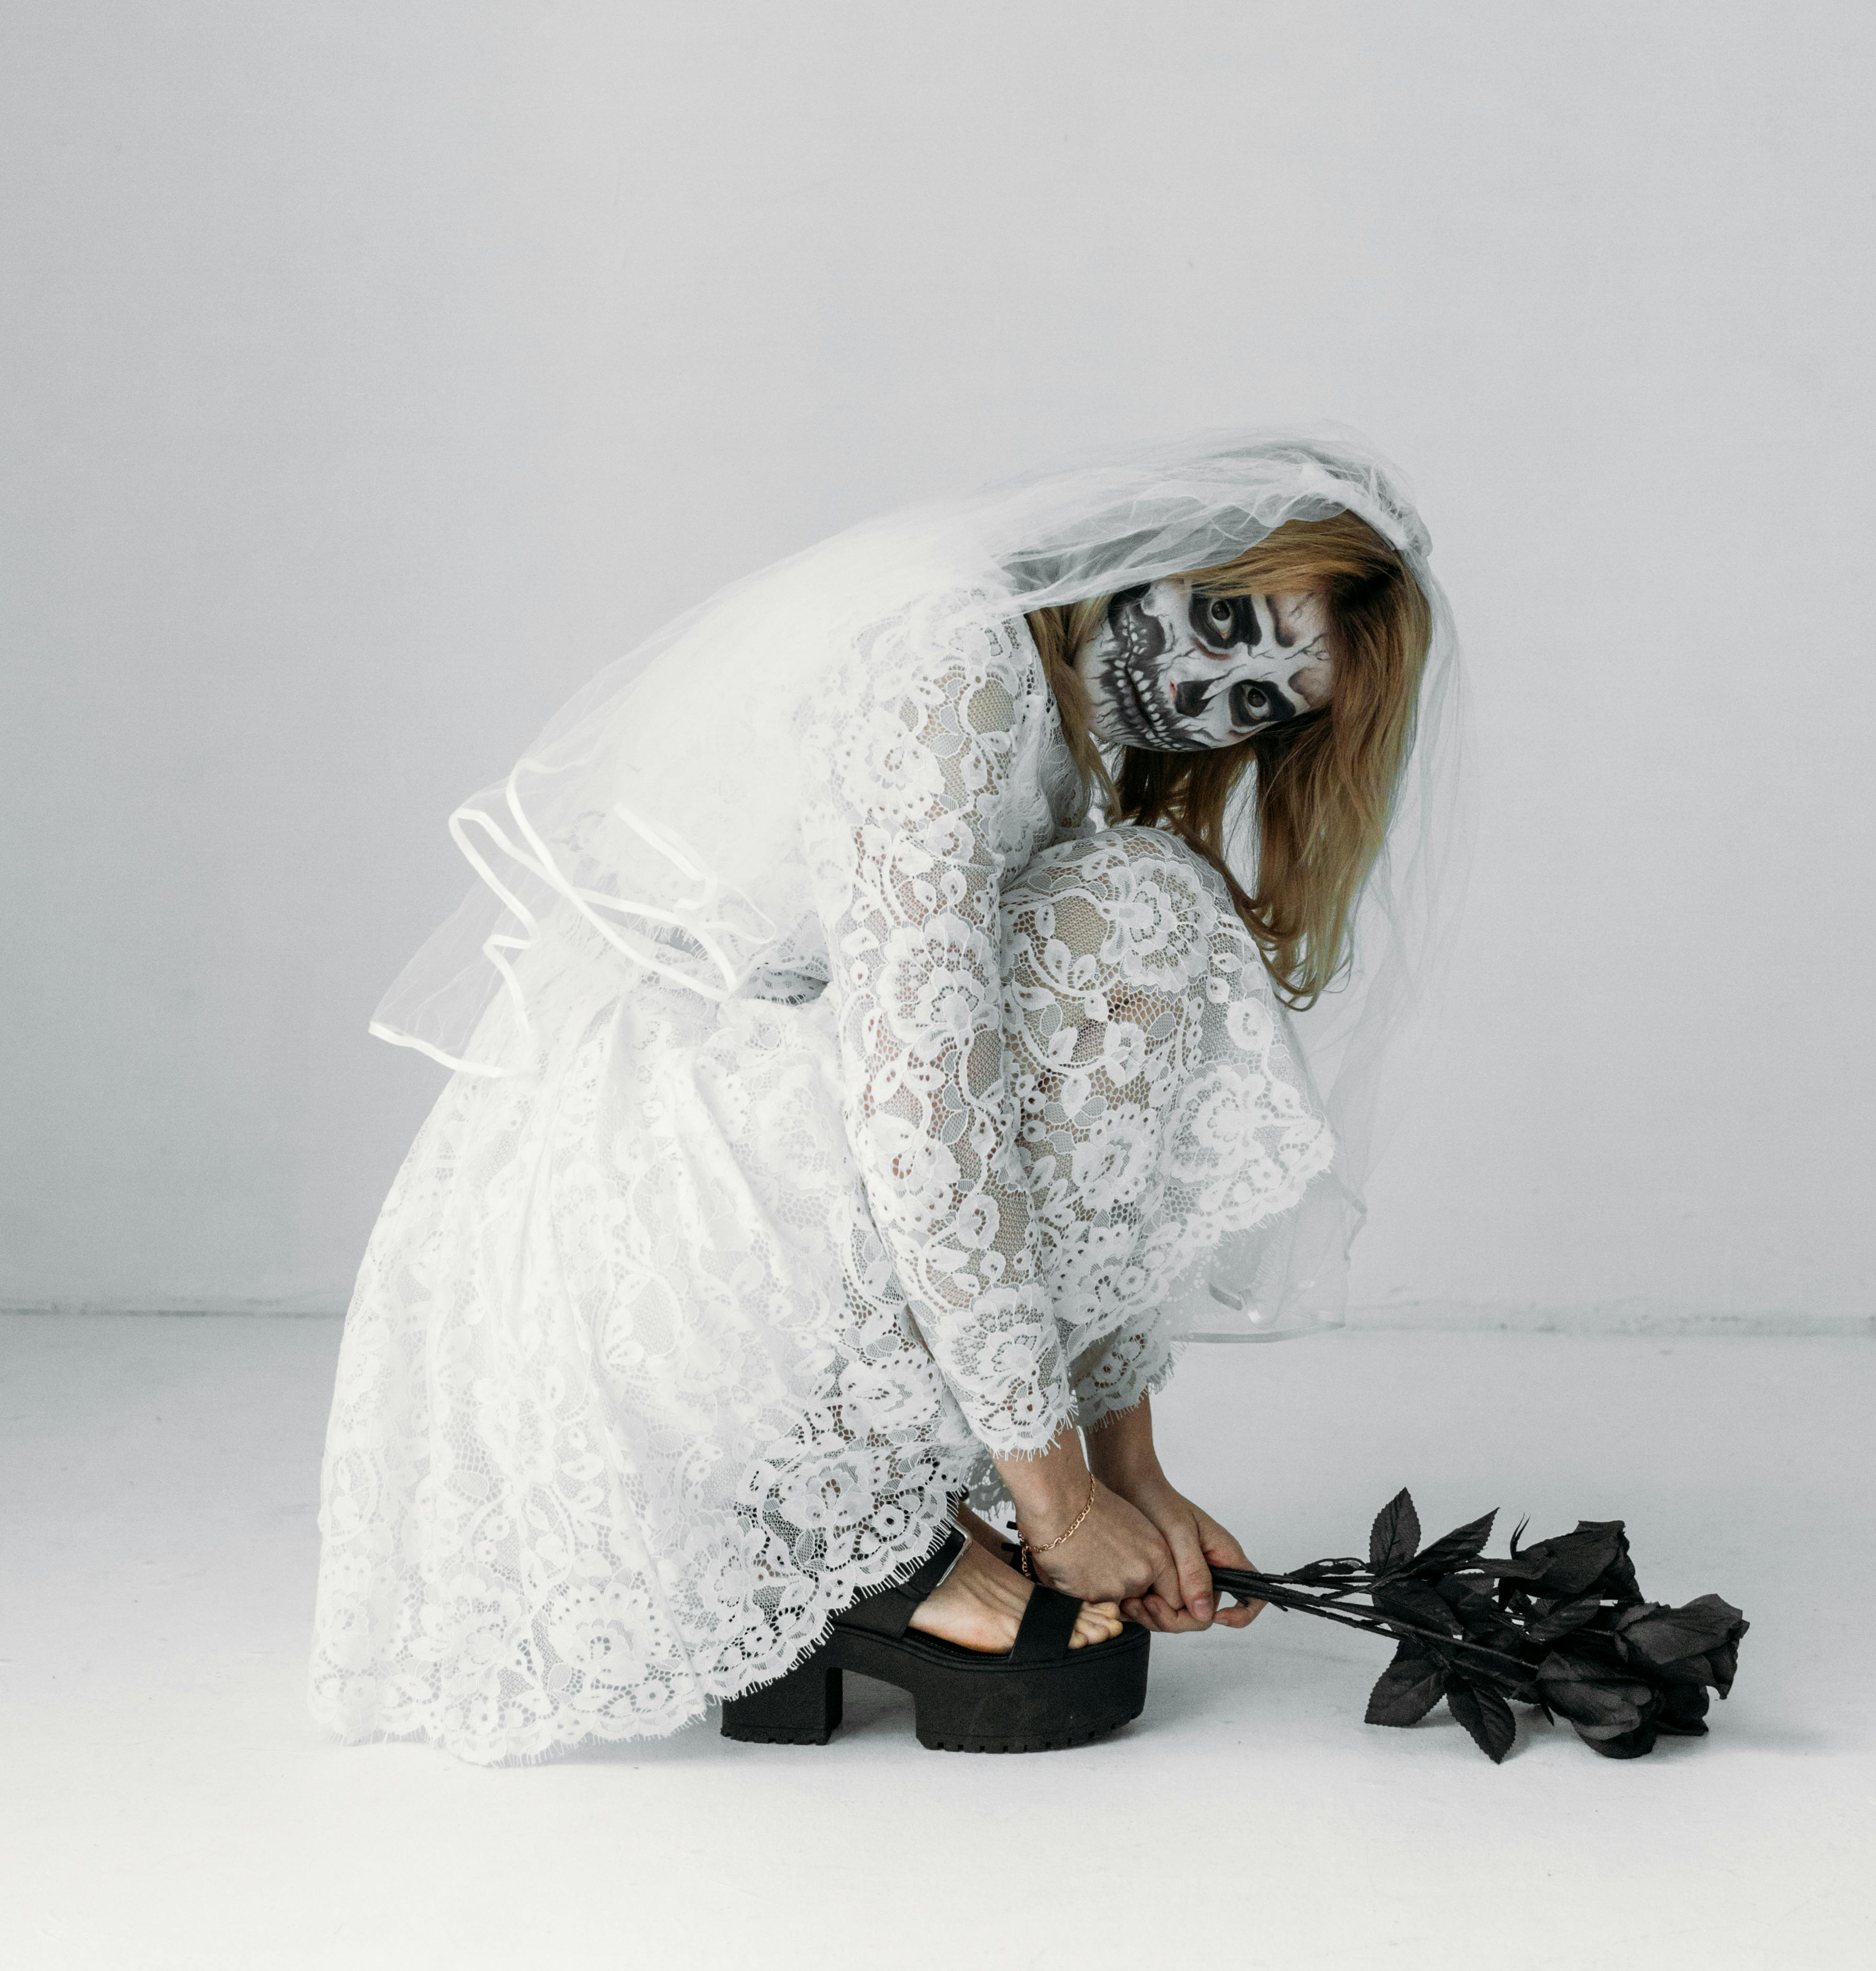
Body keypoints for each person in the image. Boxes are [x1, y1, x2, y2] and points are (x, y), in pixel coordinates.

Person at [311, 429, 1458, 1760]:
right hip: (650, 1227)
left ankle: (882, 1512)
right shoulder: (954, 666)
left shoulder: (1042, 695)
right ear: (1165, 553)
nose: (1207, 686)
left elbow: (1000, 1100)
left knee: (1142, 898)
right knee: (1134, 919)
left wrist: (1121, 1470)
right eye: (1223, 619)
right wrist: (1057, 1505)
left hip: (749, 1150)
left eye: (1261, 700)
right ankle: (831, 1525)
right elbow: (924, 1105)